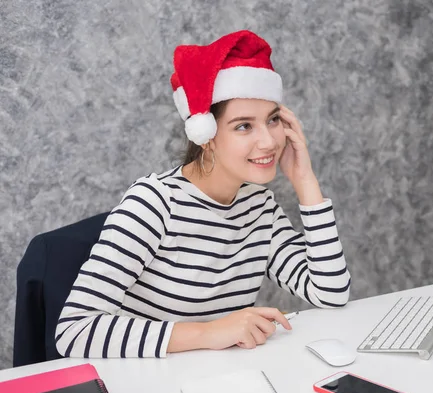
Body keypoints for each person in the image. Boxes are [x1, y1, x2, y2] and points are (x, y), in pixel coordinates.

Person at [54, 30, 351, 359]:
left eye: (273, 120)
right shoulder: (153, 203)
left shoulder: (259, 208)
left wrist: (305, 180)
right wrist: (210, 332)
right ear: (205, 134)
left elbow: (331, 292)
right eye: (243, 126)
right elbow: (74, 330)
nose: (268, 141)